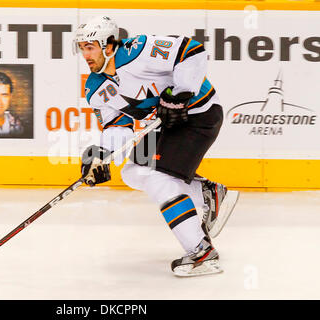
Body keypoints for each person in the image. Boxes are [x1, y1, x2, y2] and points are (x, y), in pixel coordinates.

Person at [75, 16, 239, 277]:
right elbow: (117, 126)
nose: (85, 54)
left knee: (159, 178)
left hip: (199, 115)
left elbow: (192, 51)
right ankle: (206, 191)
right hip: (166, 125)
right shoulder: (95, 88)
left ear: (108, 45)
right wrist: (102, 155)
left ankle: (201, 253)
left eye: (90, 46)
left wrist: (180, 94)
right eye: (82, 47)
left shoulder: (139, 49)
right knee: (134, 172)